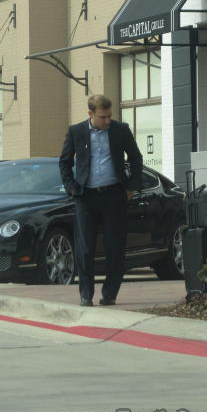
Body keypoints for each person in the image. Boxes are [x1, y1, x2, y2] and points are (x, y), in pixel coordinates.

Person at [59, 94, 143, 306]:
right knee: (85, 247)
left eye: (109, 116)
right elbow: (64, 162)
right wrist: (71, 187)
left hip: (114, 195)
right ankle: (86, 294)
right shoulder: (76, 131)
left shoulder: (120, 130)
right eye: (103, 117)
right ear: (91, 114)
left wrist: (132, 186)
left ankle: (110, 293)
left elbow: (136, 157)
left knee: (115, 246)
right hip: (86, 196)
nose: (107, 121)